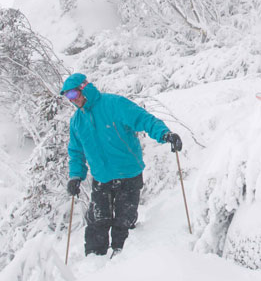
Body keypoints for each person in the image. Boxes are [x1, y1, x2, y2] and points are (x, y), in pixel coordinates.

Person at [61, 73, 182, 257]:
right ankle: (94, 262)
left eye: (73, 94)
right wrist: (76, 176)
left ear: (84, 88)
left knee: (123, 223)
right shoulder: (77, 121)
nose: (72, 100)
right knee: (97, 222)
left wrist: (165, 134)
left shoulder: (114, 104)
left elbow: (143, 119)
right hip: (102, 178)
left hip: (128, 175)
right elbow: (76, 152)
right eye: (67, 96)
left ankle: (122, 260)